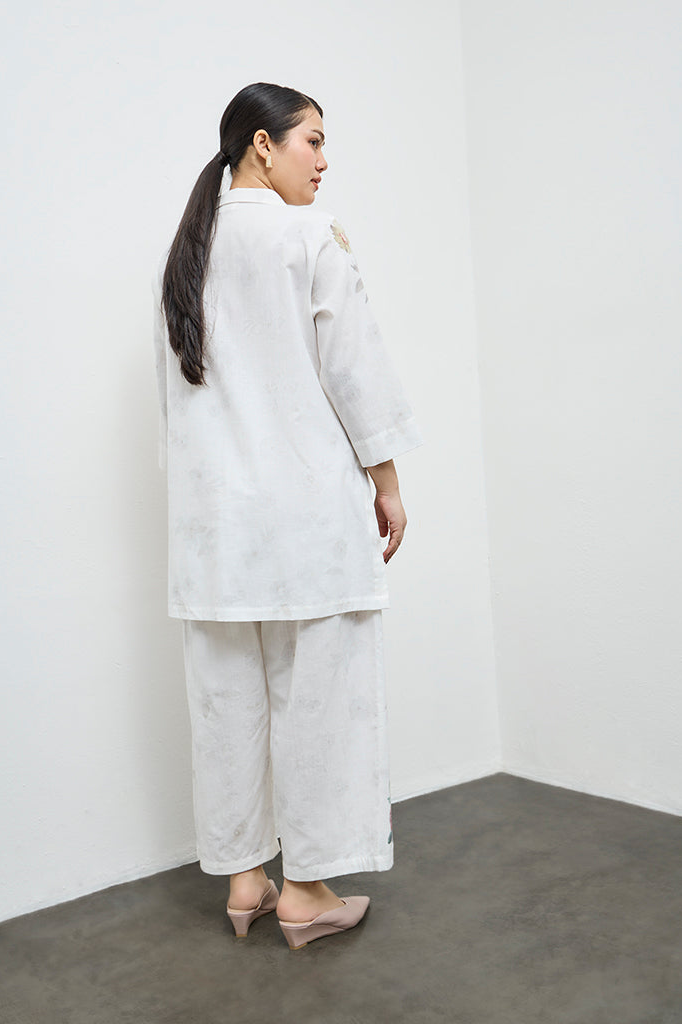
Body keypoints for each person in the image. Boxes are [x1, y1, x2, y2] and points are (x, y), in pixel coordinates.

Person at [151, 82, 422, 950]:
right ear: (262, 146)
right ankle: (305, 890)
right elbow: (355, 370)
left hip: (214, 531)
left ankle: (245, 880)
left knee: (226, 706)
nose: (324, 160)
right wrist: (386, 481)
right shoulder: (309, 237)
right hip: (304, 522)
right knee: (321, 704)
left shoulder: (185, 255)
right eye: (312, 140)